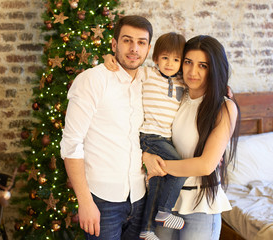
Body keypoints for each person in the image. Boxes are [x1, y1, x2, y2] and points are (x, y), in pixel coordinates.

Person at [60, 15, 153, 240]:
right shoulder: (92, 80)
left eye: (141, 42)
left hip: (140, 197)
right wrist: (85, 202)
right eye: (127, 40)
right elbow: (71, 144)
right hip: (102, 201)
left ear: (148, 48)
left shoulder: (149, 80)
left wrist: (223, 93)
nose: (134, 49)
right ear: (114, 44)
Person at [144, 35, 240, 240]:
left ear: (214, 69)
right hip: (166, 203)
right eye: (188, 62)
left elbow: (205, 166)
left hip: (200, 205)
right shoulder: (177, 94)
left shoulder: (224, 107)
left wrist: (156, 165)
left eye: (203, 65)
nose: (192, 71)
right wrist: (145, 157)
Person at [104, 32, 188, 240]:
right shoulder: (147, 73)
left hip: (166, 139)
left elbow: (206, 86)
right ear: (156, 57)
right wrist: (108, 57)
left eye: (176, 59)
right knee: (182, 167)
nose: (170, 64)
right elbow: (124, 68)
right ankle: (164, 211)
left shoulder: (182, 82)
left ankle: (147, 229)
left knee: (157, 182)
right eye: (165, 58)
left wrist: (227, 90)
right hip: (150, 136)